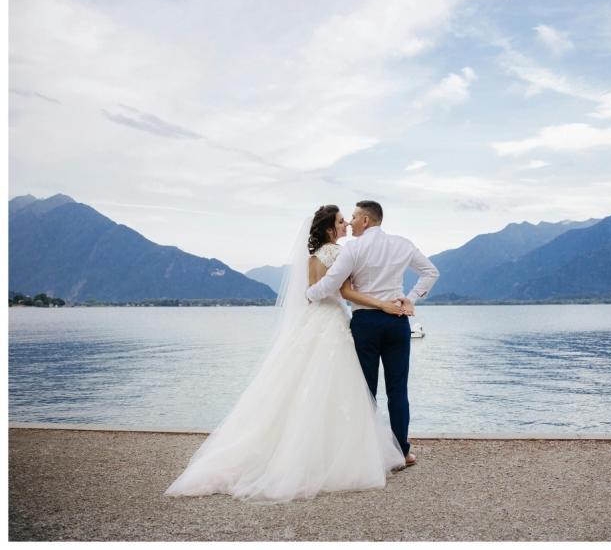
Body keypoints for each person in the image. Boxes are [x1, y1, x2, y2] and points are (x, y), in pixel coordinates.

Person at [164, 205, 407, 503]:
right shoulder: (338, 254)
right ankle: (335, 451)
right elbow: (343, 292)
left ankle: (292, 446)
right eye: (341, 221)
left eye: (348, 220)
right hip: (332, 320)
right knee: (337, 386)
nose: (346, 225)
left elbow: (311, 290)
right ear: (330, 229)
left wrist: (315, 294)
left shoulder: (312, 257)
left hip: (313, 319)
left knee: (302, 383)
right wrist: (383, 304)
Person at [306, 200, 439, 467]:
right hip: (397, 322)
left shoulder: (353, 247)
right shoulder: (403, 244)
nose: (351, 222)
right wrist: (409, 298)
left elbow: (332, 283)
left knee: (365, 391)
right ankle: (402, 452)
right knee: (398, 390)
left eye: (354, 217)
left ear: (366, 221)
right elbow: (430, 272)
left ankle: (366, 453)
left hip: (365, 323)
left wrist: (310, 294)